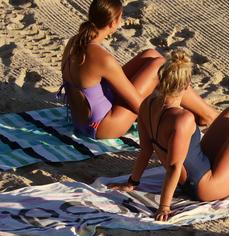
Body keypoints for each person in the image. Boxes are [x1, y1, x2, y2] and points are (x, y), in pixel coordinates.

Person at [110, 49, 229, 221]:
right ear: (187, 86)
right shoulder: (182, 118)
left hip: (198, 170)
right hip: (206, 187)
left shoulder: (148, 104)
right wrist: (164, 206)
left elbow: (146, 150)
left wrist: (132, 182)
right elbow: (173, 167)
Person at [59, 0, 216, 139]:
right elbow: (138, 106)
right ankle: (208, 115)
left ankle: (204, 113)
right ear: (113, 23)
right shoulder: (101, 58)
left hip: (81, 119)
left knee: (150, 55)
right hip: (101, 127)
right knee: (160, 65)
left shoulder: (75, 41)